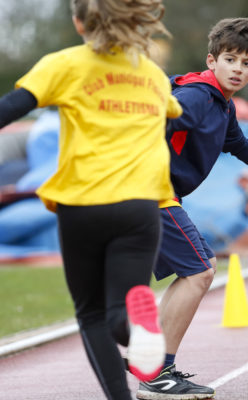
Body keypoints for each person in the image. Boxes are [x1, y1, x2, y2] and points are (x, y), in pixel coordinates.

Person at [0, 0, 182, 399]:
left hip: (84, 203)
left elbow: (10, 109)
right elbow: (172, 112)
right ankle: (140, 329)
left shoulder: (64, 63)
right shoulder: (151, 73)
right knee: (121, 307)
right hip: (140, 205)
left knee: (92, 314)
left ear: (79, 23)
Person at [136, 17, 248, 400]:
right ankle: (155, 370)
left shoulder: (222, 105)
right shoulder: (199, 96)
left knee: (197, 270)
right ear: (212, 60)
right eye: (230, 59)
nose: (237, 68)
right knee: (200, 270)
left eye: (246, 64)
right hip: (148, 190)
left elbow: (240, 145)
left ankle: (150, 359)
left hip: (157, 192)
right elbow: (160, 118)